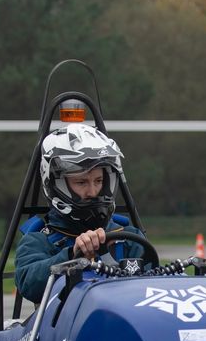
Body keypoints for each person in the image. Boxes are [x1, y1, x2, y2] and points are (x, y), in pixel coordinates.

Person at [14, 124, 146, 303]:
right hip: (65, 328)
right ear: (57, 185)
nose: (93, 192)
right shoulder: (39, 240)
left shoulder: (130, 238)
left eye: (98, 181)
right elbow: (28, 284)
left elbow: (154, 289)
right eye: (82, 182)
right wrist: (72, 256)